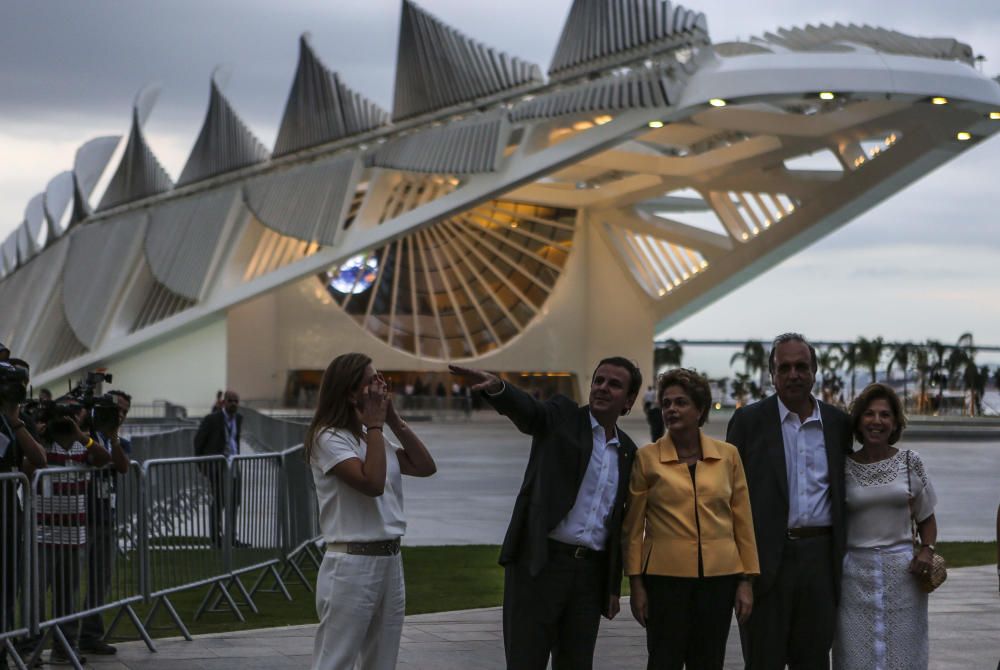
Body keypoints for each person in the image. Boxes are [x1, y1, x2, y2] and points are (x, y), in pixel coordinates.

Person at [450, 358, 641, 670]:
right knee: (526, 660)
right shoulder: (562, 417)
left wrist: (611, 587)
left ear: (629, 400)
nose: (603, 388)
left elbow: (617, 523)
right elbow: (530, 412)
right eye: (599, 380)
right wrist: (499, 388)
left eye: (614, 384)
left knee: (577, 663)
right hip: (539, 565)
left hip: (588, 579)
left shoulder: (628, 452)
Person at [725, 333, 852, 669]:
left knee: (813, 660)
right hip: (766, 564)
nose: (793, 374)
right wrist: (742, 576)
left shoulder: (837, 424)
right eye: (785, 368)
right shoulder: (749, 422)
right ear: (772, 375)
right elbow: (731, 499)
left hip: (820, 564)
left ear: (814, 371)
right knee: (763, 660)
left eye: (801, 367)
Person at [307, 353, 436, 670]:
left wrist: (392, 420)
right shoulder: (329, 437)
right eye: (371, 380)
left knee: (382, 661)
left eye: (381, 378)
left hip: (390, 560)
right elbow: (372, 482)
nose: (381, 385)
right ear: (351, 392)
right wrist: (377, 425)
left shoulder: (371, 437)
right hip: (351, 565)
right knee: (335, 661)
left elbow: (424, 466)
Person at [625, 368, 759, 669]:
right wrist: (636, 584)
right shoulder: (647, 458)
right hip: (664, 581)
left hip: (719, 581)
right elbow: (632, 529)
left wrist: (745, 580)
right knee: (663, 661)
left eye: (681, 402)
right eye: (667, 403)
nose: (671, 409)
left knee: (709, 662)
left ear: (700, 410)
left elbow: (743, 522)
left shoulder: (728, 456)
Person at [833, 383, 938, 669]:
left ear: (894, 423)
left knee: (904, 656)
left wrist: (927, 551)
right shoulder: (842, 467)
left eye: (884, 415)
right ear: (858, 421)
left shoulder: (909, 463)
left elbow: (926, 519)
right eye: (869, 414)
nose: (876, 421)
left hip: (903, 577)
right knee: (854, 656)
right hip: (853, 578)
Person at [78, 391, 132, 655]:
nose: (119, 415)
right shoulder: (86, 434)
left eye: (124, 411)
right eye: (115, 409)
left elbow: (122, 466)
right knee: (70, 580)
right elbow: (92, 458)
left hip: (105, 517)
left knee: (101, 579)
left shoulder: (117, 439)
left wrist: (114, 438)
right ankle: (60, 638)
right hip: (80, 516)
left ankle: (91, 635)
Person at [194, 390, 243, 547]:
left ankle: (231, 537)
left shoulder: (239, 419)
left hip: (234, 466)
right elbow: (198, 441)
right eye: (230, 400)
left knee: (234, 501)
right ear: (224, 402)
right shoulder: (212, 419)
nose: (233, 404)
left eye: (236, 401)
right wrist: (202, 465)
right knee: (219, 502)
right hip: (217, 466)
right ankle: (216, 538)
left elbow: (234, 440)